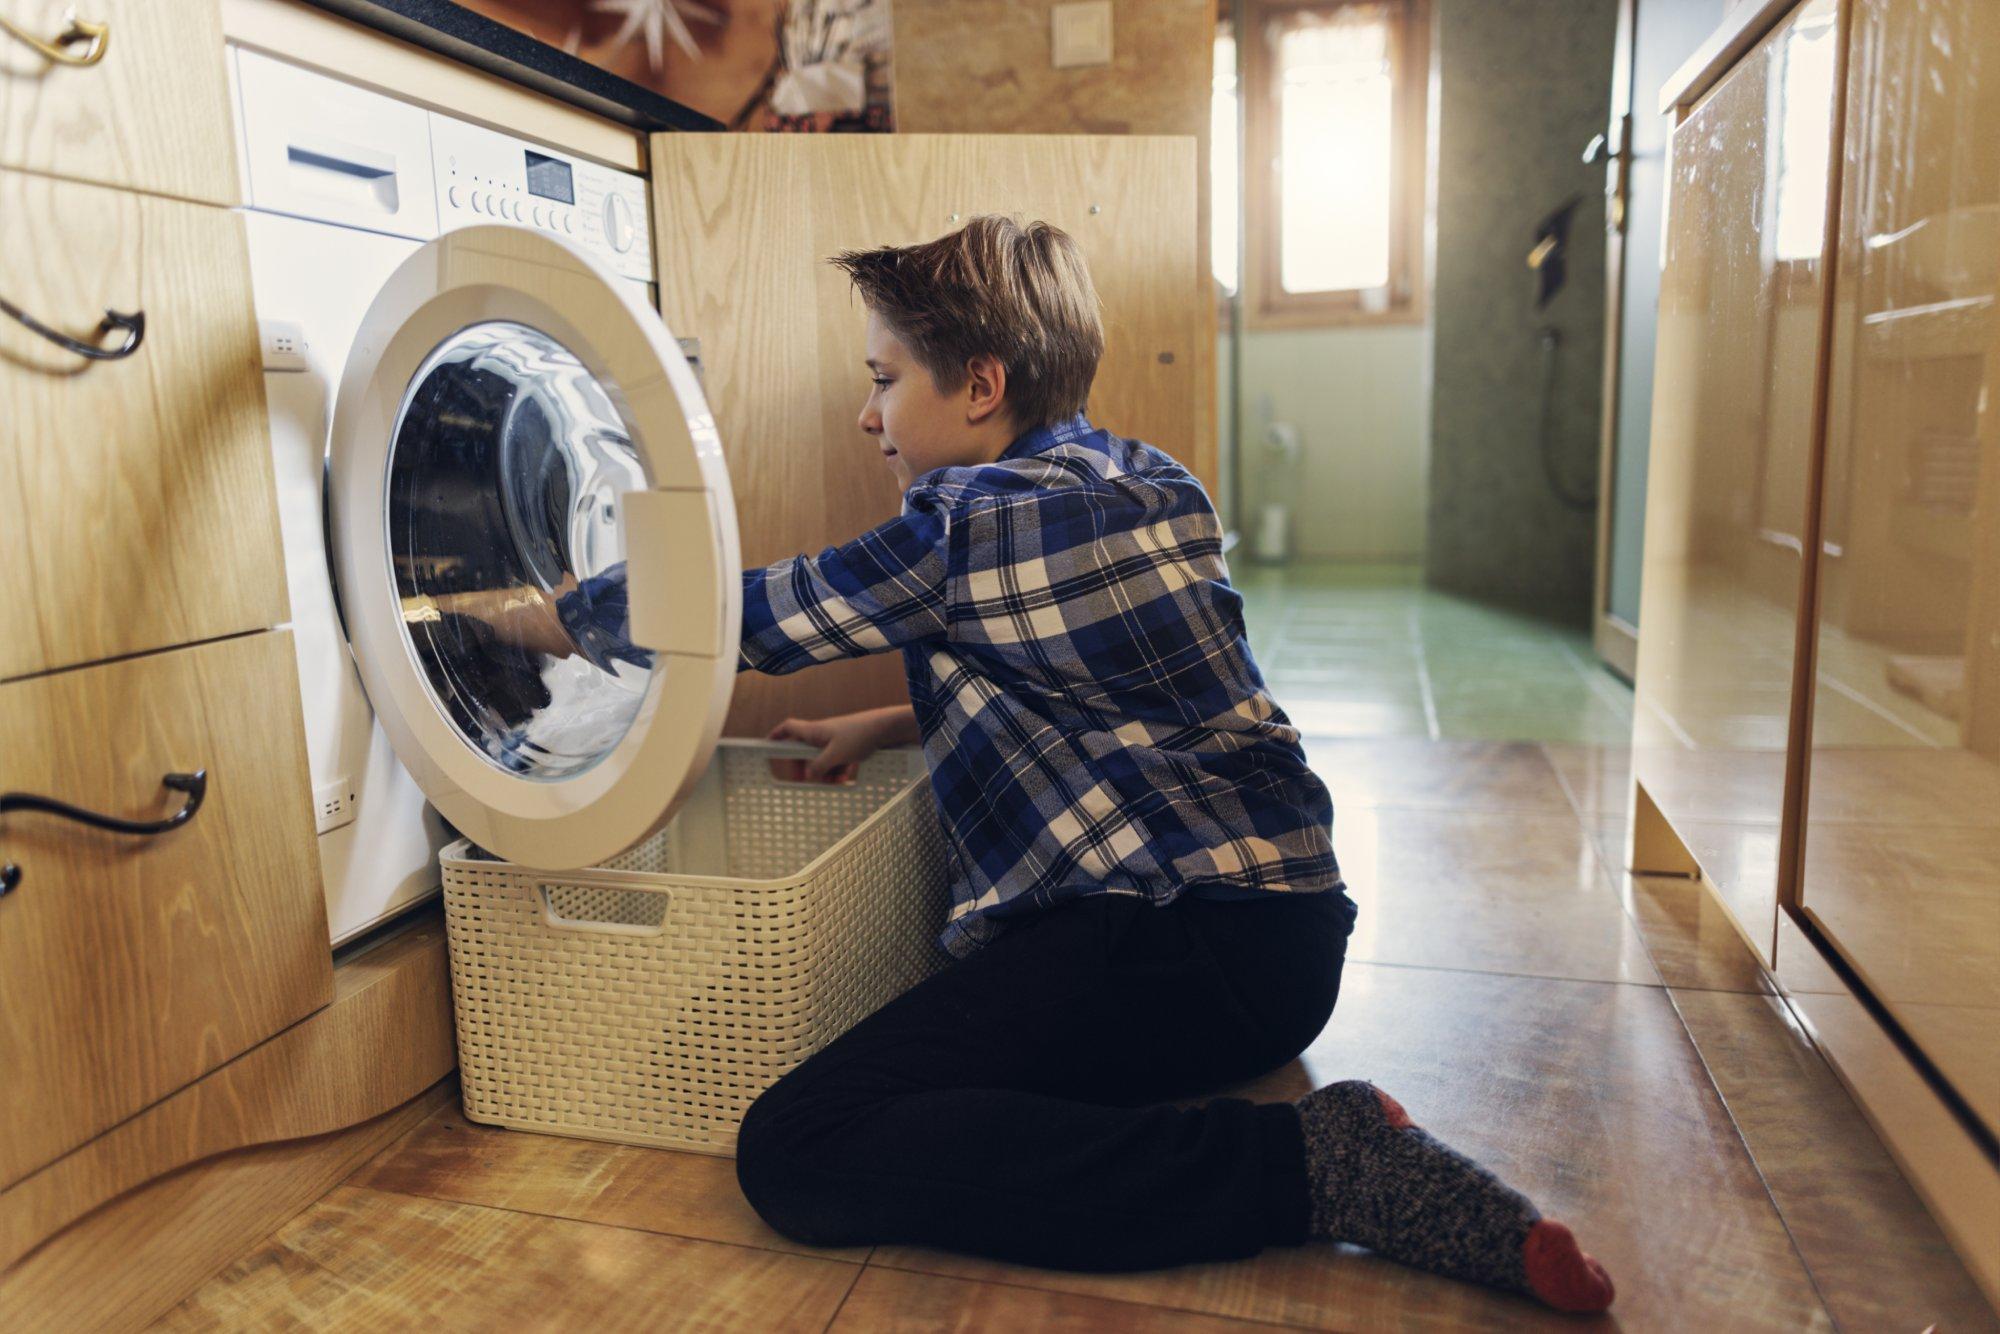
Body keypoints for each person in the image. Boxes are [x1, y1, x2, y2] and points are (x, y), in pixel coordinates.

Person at [741, 216, 1613, 1312]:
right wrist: (887, 717)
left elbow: (741, 619)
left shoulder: (961, 524)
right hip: (1286, 946)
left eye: (885, 377)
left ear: (977, 387)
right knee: (963, 1078)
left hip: (1171, 943)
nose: (867, 413)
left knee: (800, 1142)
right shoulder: (1146, 479)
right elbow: (1093, 682)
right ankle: (1292, 1151)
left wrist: (520, 621)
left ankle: (1311, 1169)